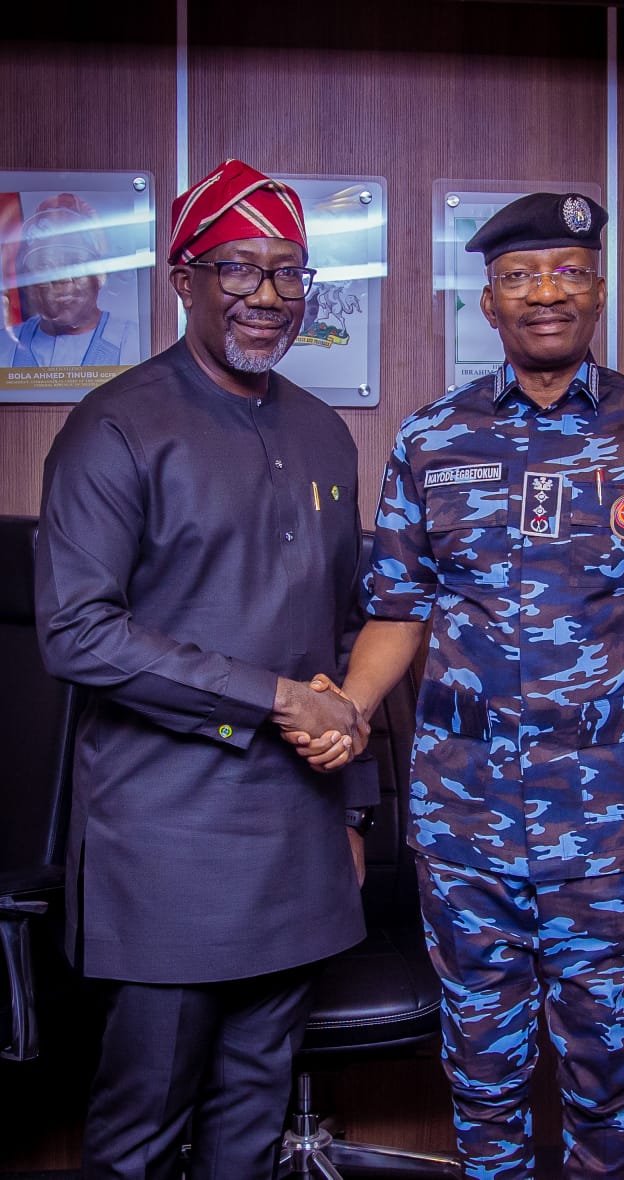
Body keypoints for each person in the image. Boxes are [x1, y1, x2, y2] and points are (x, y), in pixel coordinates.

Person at [293, 193, 624, 1178]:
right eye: (519, 277)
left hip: (615, 824)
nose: (545, 292)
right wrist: (348, 709)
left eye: (567, 271)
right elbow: (396, 613)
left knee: (607, 1069)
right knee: (482, 1070)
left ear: (598, 291)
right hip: (466, 820)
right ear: (488, 302)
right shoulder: (431, 438)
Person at [34, 159, 375, 1180]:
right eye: (238, 268)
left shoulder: (323, 432)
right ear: (182, 279)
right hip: (166, 840)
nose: (267, 295)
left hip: (299, 835)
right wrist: (274, 698)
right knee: (142, 1128)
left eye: (288, 272)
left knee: (251, 1124)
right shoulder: (115, 425)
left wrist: (354, 811)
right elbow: (76, 632)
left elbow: (345, 633)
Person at [0, 192, 139, 368]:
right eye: (44, 267)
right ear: (28, 284)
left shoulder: (133, 341)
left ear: (99, 275)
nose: (62, 279)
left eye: (74, 264)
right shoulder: (5, 345)